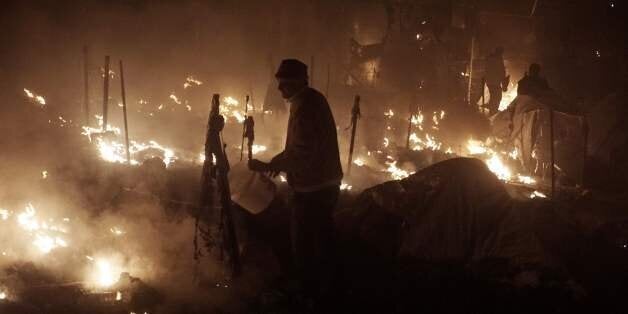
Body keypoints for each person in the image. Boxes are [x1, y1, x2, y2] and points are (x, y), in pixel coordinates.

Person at [248, 59, 343, 298]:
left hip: (314, 186)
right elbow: (296, 148)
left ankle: (308, 291)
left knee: (304, 243)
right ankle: (326, 286)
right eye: (279, 83)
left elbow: (302, 151)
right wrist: (276, 162)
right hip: (322, 182)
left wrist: (271, 165)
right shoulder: (309, 99)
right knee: (321, 238)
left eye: (285, 84)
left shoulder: (306, 107)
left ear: (300, 81)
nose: (280, 89)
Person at [485, 47, 508, 115]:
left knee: (494, 97)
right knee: (497, 97)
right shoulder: (498, 59)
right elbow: (501, 72)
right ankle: (493, 112)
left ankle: (492, 111)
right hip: (495, 82)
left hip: (489, 81)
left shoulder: (489, 58)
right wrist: (504, 84)